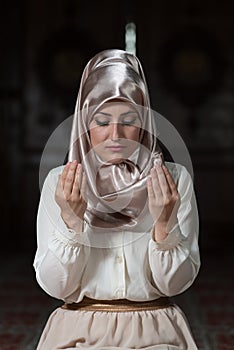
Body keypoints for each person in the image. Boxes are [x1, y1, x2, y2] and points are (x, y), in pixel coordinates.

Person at [34, 49, 200, 349]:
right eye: (101, 121)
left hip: (156, 330)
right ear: (84, 125)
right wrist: (72, 222)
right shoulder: (60, 183)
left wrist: (164, 225)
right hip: (76, 331)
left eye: (128, 119)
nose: (116, 134)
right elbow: (56, 287)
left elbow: (175, 284)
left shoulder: (173, 181)